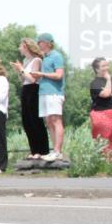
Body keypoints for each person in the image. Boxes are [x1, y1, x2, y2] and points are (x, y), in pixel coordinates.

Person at [10, 38, 49, 159]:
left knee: (35, 120)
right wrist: (19, 71)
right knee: (26, 121)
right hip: (25, 90)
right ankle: (34, 150)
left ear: (26, 47)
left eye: (20, 46)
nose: (19, 49)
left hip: (34, 90)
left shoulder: (37, 60)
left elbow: (33, 79)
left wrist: (21, 69)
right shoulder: (25, 60)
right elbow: (23, 79)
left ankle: (42, 150)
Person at [31, 33, 66, 162]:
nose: (38, 44)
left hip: (54, 92)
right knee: (49, 121)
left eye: (39, 42)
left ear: (46, 43)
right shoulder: (44, 58)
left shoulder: (56, 56)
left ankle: (58, 151)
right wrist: (37, 76)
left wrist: (41, 74)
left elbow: (59, 75)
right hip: (44, 92)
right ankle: (54, 150)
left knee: (56, 120)